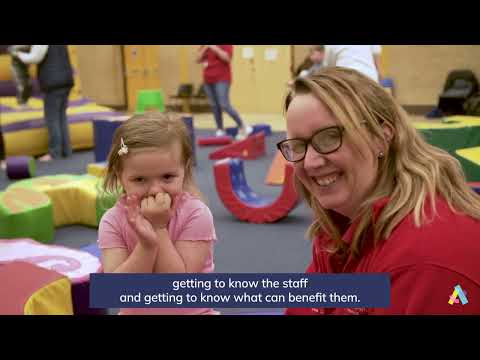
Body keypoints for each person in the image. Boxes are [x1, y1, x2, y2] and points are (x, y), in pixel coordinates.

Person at [277, 67, 480, 315]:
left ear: (381, 138)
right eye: (297, 145)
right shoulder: (339, 227)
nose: (310, 162)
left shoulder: (429, 260)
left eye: (329, 137)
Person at [98, 112, 218, 315]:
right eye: (140, 179)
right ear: (121, 177)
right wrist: (146, 246)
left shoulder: (196, 214)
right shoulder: (113, 221)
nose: (155, 190)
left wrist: (158, 229)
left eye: (167, 177)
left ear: (185, 170)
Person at [14, 45, 74, 162]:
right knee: (62, 117)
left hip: (53, 82)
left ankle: (55, 152)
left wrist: (18, 54)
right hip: (65, 79)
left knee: (52, 118)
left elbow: (35, 57)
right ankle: (66, 150)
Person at [197, 45, 252, 140]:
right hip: (208, 79)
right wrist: (205, 48)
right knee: (214, 105)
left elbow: (227, 58)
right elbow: (198, 59)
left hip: (222, 79)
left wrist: (213, 47)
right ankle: (220, 129)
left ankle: (243, 126)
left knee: (224, 104)